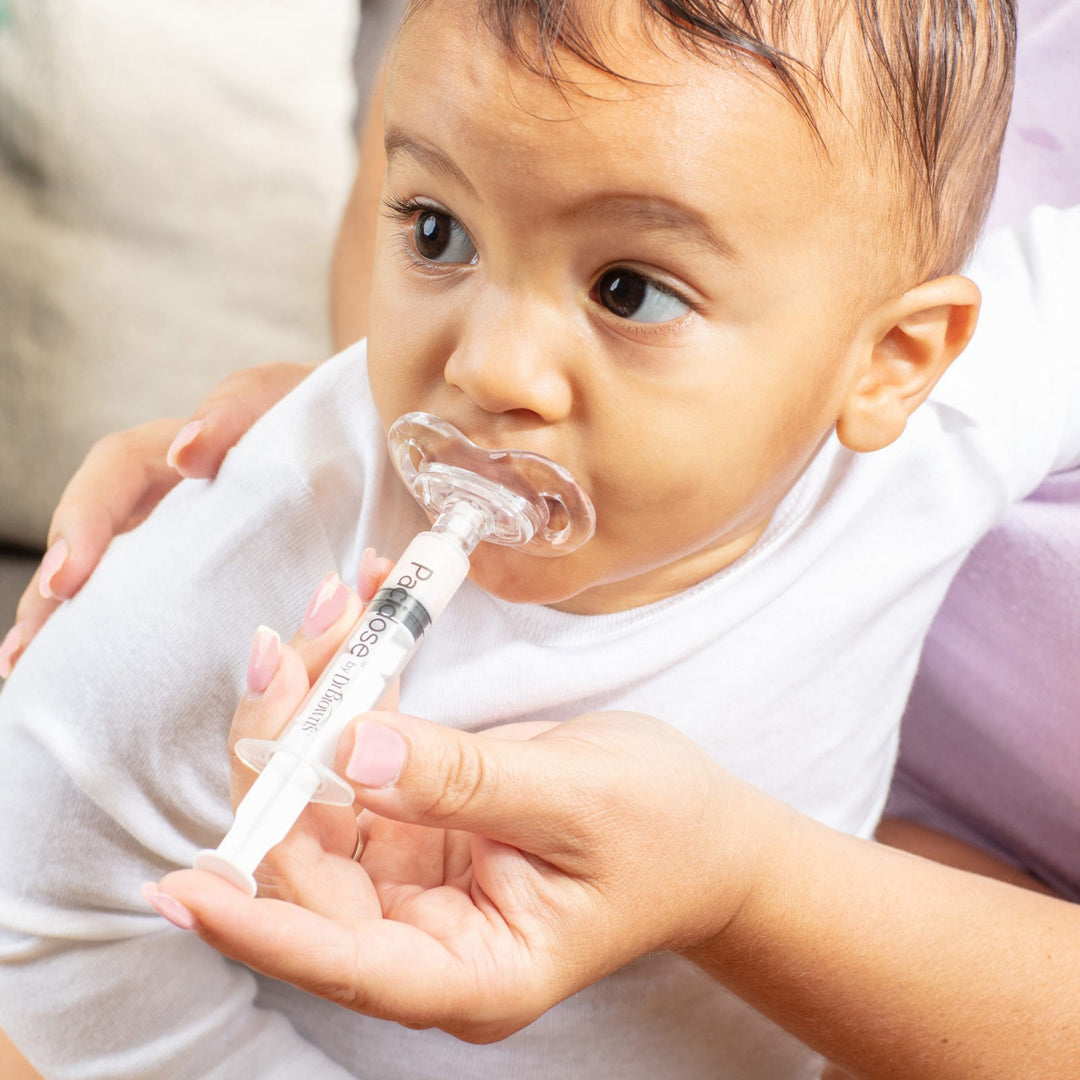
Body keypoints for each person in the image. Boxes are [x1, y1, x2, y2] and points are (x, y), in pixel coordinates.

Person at [1, 1, 1078, 1078]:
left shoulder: (932, 439)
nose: (489, 369)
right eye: (438, 231)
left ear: (890, 362)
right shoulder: (273, 550)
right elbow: (33, 881)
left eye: (628, 291)